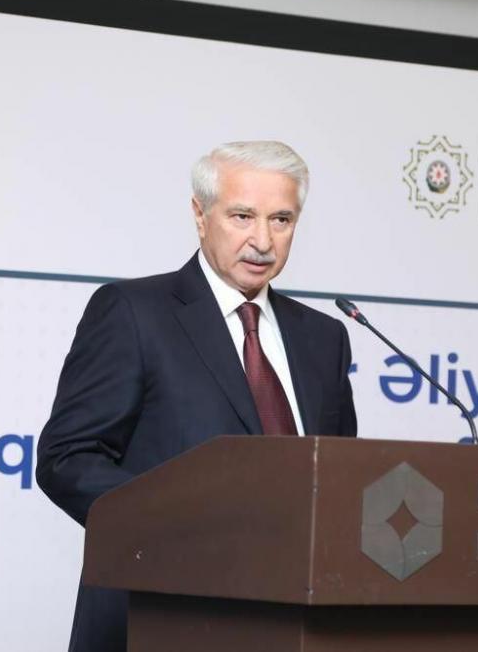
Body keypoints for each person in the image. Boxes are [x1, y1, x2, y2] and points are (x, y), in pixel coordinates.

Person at [36, 140, 358, 652]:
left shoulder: (324, 338)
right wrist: (186, 524)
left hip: (292, 626)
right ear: (199, 215)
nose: (262, 241)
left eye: (281, 220)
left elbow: (342, 479)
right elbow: (67, 458)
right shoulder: (133, 312)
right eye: (242, 216)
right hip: (160, 616)